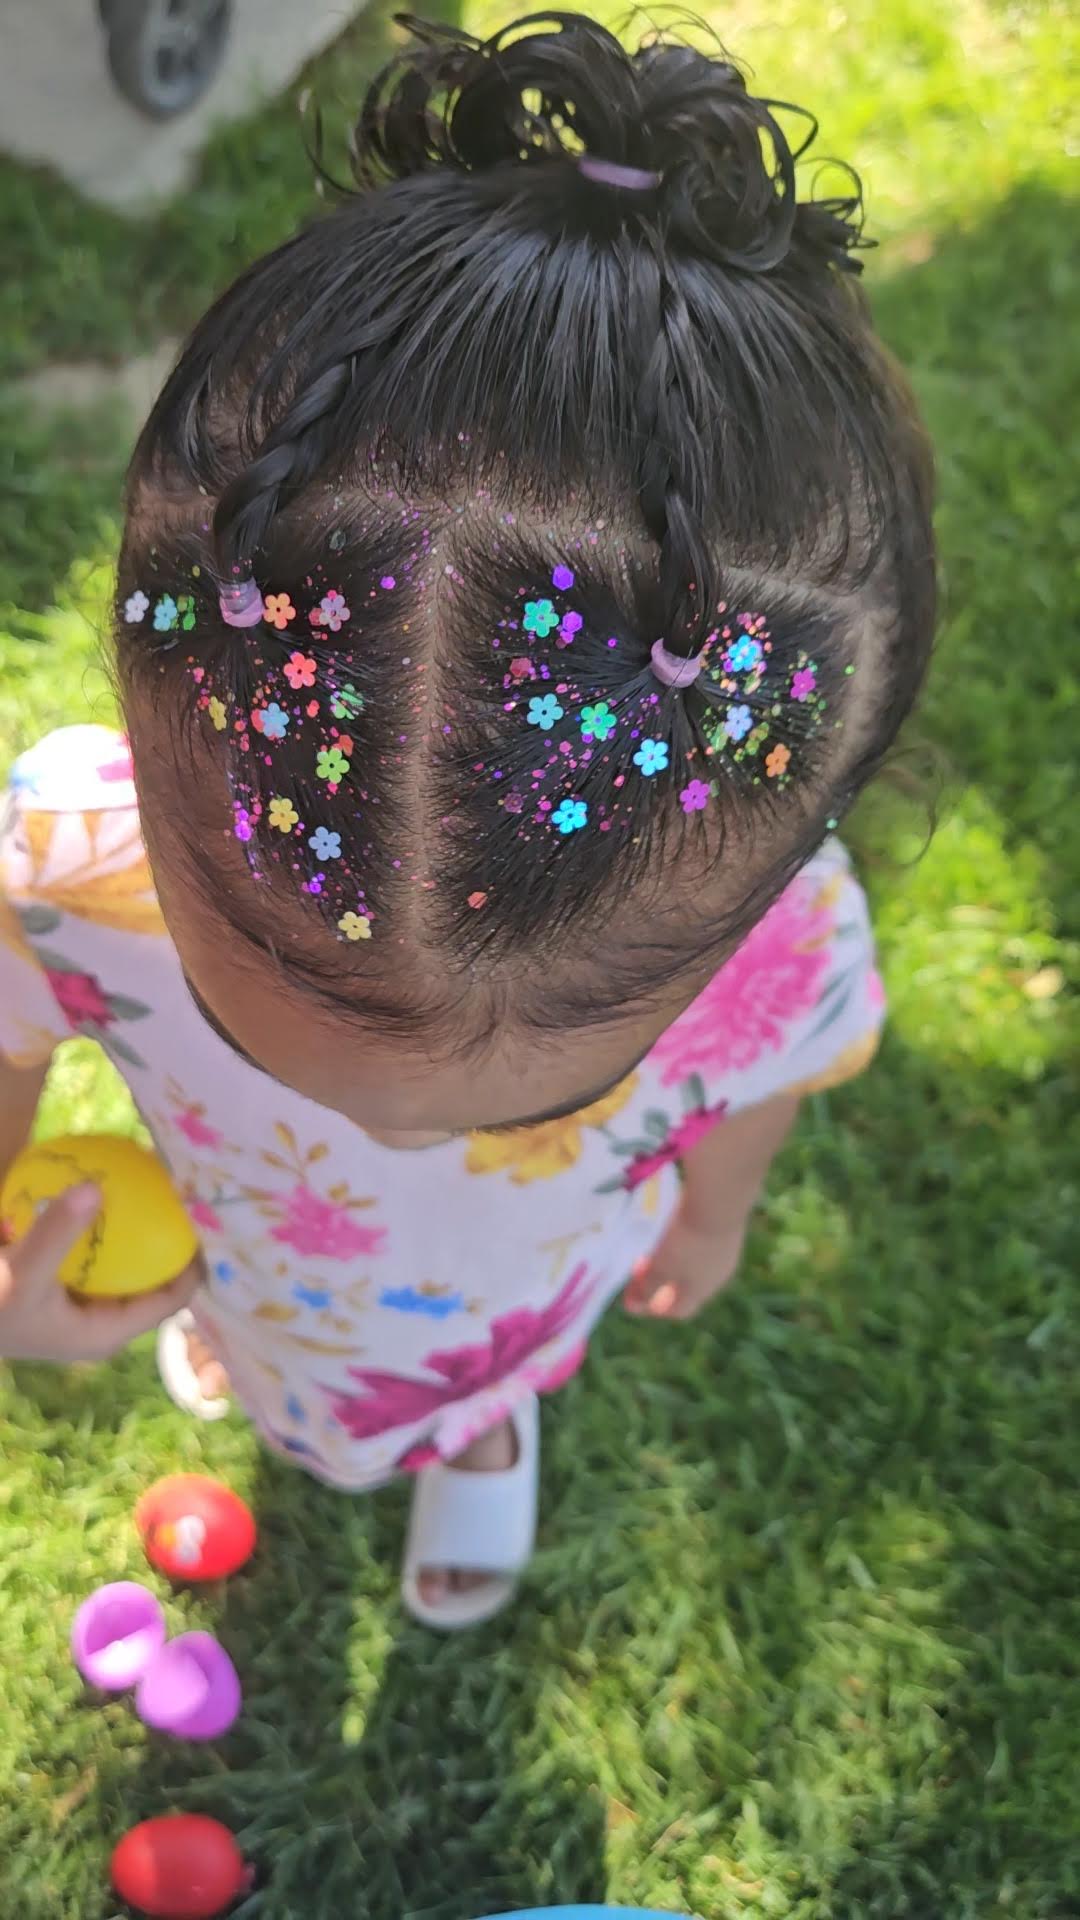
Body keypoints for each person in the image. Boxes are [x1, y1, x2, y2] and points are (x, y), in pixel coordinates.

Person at [0, 12, 934, 1628]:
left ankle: (481, 1414)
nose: (403, 1143)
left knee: (480, 1362)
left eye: (541, 1099)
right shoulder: (60, 873)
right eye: (269, 1046)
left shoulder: (777, 954)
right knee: (283, 1350)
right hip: (251, 1262)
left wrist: (718, 1215)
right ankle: (295, 1360)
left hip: (524, 1297)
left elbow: (772, 1079)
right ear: (146, 792)